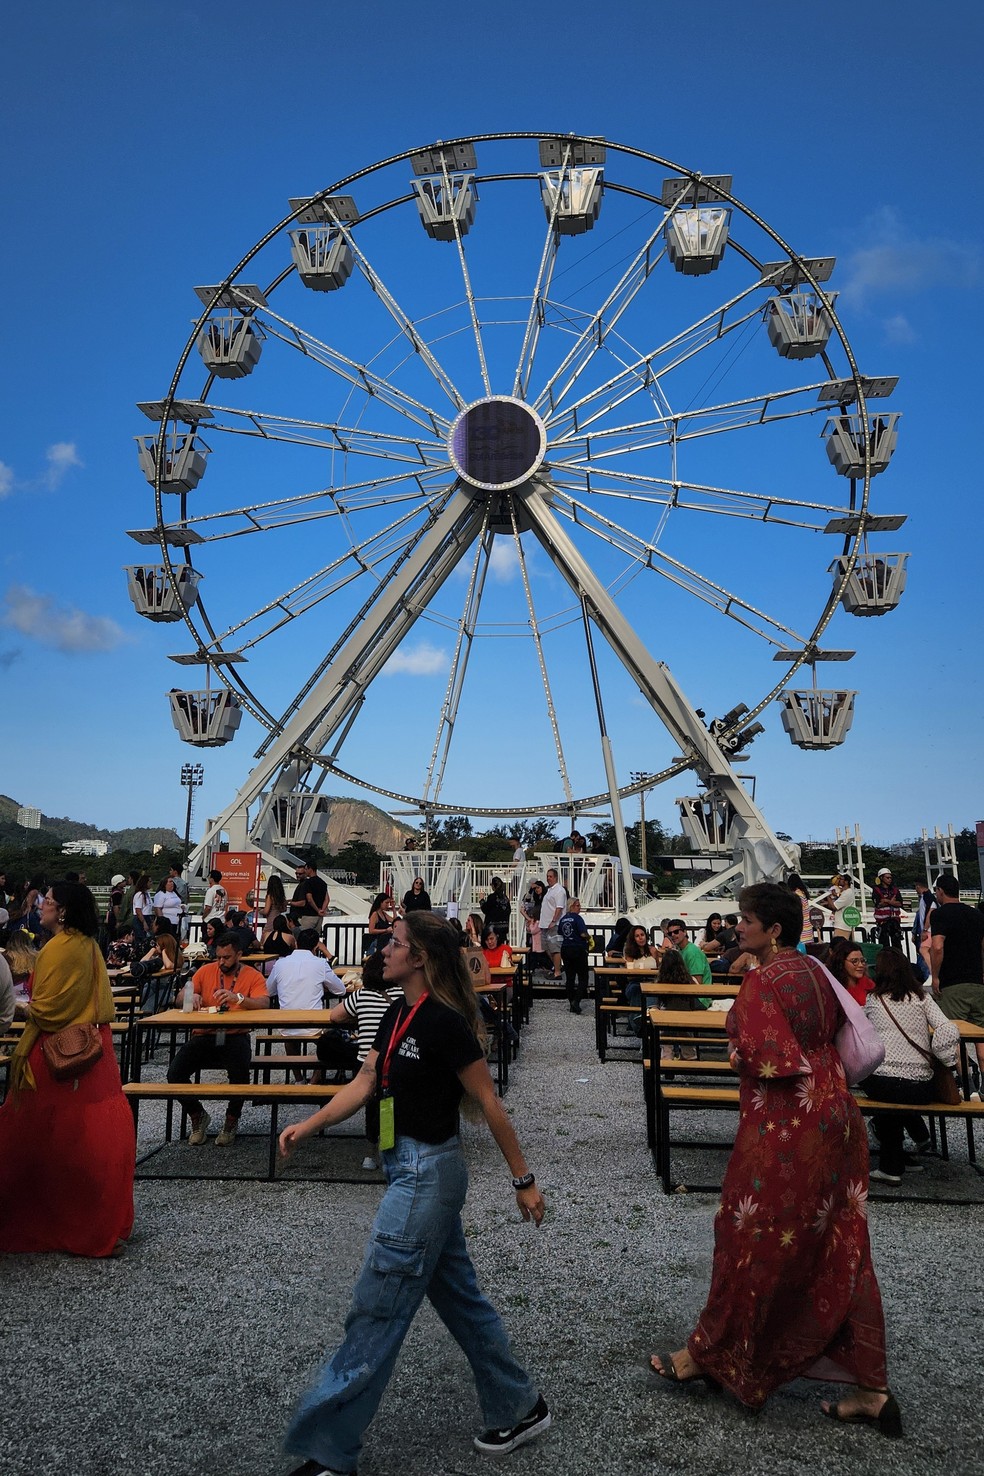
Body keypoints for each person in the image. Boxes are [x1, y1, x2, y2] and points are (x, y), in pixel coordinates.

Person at [278, 911, 550, 1473]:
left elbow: (490, 1104)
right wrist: (311, 1124)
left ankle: (329, 1448)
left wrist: (523, 1181)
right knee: (462, 1302)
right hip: (404, 1165)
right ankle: (520, 1407)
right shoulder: (395, 1012)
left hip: (429, 1172)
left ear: (420, 957)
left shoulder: (446, 1023)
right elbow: (364, 1082)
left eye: (395, 942)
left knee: (376, 1308)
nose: (383, 948)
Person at [650, 882, 901, 1437]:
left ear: (774, 930)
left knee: (749, 1235)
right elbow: (833, 1034)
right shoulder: (817, 971)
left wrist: (736, 1046)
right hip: (837, 1114)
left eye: (745, 920)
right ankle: (872, 1388)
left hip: (787, 1123)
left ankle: (717, 1354)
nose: (736, 927)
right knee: (840, 1241)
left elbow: (769, 1057)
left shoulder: (764, 980)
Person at [0, 882, 135, 1256]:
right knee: (90, 1139)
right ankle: (98, 1223)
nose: (40, 906)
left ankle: (55, 1221)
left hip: (57, 1052)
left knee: (43, 1138)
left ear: (62, 911)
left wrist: (17, 1008)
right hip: (95, 1051)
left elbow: (48, 1010)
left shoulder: (57, 950)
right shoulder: (88, 944)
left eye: (48, 901)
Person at [861, 948, 959, 1186]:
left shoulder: (874, 999)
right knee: (899, 1099)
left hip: (883, 1080)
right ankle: (914, 1142)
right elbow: (947, 1029)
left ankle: (891, 1166)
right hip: (920, 1085)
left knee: (884, 1098)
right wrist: (945, 1058)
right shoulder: (921, 998)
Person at [167, 932, 270, 1146]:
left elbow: (264, 1003)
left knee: (240, 1074)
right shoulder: (204, 971)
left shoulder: (252, 975)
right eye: (219, 957)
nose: (221, 962)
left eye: (227, 957)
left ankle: (231, 1120)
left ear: (239, 954)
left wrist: (239, 998)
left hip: (235, 1035)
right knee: (175, 1073)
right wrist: (190, 996)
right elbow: (178, 1000)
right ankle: (197, 1115)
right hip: (204, 1034)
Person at [320, 949, 403, 1167]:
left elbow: (334, 1016)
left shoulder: (362, 995)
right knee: (387, 1104)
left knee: (373, 1102)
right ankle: (389, 1147)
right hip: (395, 1062)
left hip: (366, 1063)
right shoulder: (401, 995)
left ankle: (370, 1151)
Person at [267, 928, 347, 1077]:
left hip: (286, 1023)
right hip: (314, 1024)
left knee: (290, 1038)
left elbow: (269, 991)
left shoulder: (280, 964)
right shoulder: (320, 963)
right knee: (331, 1042)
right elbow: (340, 990)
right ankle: (315, 1081)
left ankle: (298, 1079)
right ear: (316, 946)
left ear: (296, 943)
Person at [929, 872, 984, 1080]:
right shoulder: (977, 915)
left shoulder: (941, 915)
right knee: (981, 1035)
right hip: (977, 982)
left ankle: (966, 1083)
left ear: (940, 891)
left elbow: (937, 946)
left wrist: (935, 977)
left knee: (953, 1035)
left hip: (953, 983)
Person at [558, 898, 590, 1013]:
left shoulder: (563, 919)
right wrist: (588, 937)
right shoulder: (578, 918)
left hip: (566, 948)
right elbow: (582, 933)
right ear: (571, 906)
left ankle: (571, 1001)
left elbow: (560, 933)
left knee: (570, 977)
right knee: (583, 977)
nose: (579, 907)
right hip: (577, 948)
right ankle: (576, 1001)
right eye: (577, 905)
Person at [827, 939, 874, 1007]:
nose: (860, 965)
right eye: (854, 961)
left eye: (862, 960)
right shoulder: (833, 989)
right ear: (841, 962)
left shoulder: (868, 983)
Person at [260, 874, 296, 964]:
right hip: (280, 919)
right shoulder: (281, 896)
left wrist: (260, 911)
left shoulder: (270, 896)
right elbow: (283, 908)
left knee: (264, 941)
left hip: (270, 920)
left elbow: (266, 910)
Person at [539, 867, 567, 981]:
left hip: (554, 924)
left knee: (555, 948)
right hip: (544, 924)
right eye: (547, 876)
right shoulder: (549, 890)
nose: (548, 878)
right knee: (546, 947)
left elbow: (559, 907)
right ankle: (557, 966)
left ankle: (557, 972)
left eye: (550, 876)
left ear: (555, 877)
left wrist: (554, 921)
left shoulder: (559, 890)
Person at [289, 861, 330, 935]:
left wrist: (317, 910)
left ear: (310, 869)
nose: (305, 871)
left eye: (306, 869)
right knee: (315, 939)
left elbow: (309, 899)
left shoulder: (308, 883)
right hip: (319, 917)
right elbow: (327, 899)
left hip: (309, 915)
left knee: (303, 937)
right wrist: (322, 910)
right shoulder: (323, 883)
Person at [871, 869, 904, 951]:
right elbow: (878, 904)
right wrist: (892, 902)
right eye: (887, 878)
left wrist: (886, 901)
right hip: (883, 922)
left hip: (894, 921)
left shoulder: (895, 889)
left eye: (890, 878)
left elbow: (900, 903)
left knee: (897, 945)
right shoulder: (876, 890)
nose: (890, 879)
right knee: (884, 945)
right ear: (881, 878)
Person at [786, 873, 814, 948]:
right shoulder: (803, 893)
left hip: (802, 931)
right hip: (807, 929)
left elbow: (796, 911)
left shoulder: (796, 895)